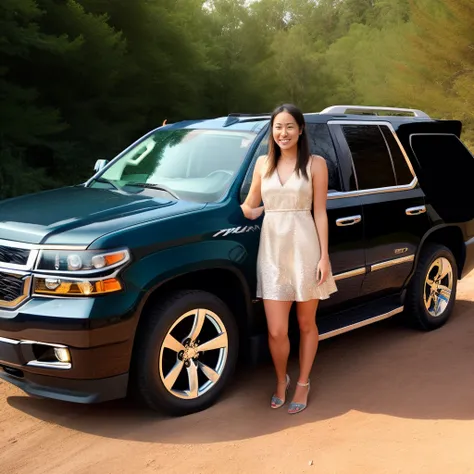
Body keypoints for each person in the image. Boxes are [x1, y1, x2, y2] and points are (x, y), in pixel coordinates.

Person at [240, 103, 338, 414]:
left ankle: (303, 382)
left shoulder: (315, 164)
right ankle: (281, 379)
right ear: (272, 131)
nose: (283, 133)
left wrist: (324, 257)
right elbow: (251, 205)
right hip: (271, 251)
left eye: (289, 127)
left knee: (306, 322)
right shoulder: (262, 165)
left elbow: (319, 212)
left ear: (301, 130)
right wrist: (247, 210)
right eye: (278, 127)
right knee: (276, 330)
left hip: (305, 247)